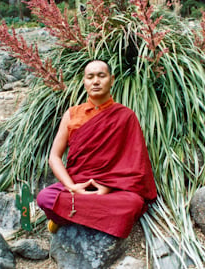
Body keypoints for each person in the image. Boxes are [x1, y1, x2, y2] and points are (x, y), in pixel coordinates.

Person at [36, 60, 157, 238]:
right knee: (44, 197)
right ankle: (94, 216)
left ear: (112, 79)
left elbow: (136, 164)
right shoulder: (72, 114)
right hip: (77, 185)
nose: (96, 81)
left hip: (112, 189)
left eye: (101, 76)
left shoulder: (125, 116)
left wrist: (107, 187)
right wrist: (72, 187)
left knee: (133, 204)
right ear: (84, 82)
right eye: (90, 77)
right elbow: (54, 156)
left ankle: (65, 215)